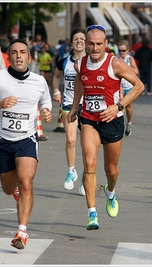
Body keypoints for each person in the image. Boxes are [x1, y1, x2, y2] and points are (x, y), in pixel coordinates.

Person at [0, 38, 52, 250]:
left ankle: (22, 232)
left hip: (27, 139)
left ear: (29, 56)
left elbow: (46, 100)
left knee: (26, 182)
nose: (19, 55)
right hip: (3, 141)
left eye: (22, 52)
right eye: (14, 52)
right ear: (9, 56)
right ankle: (16, 193)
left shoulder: (39, 81)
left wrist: (46, 111)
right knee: (9, 188)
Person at [66, 25, 144, 230]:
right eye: (91, 43)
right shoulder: (80, 64)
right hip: (89, 119)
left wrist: (119, 106)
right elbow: (80, 82)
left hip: (113, 120)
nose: (94, 48)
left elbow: (139, 86)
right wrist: (75, 107)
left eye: (99, 44)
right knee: (89, 163)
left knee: (111, 169)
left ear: (106, 44)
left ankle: (110, 193)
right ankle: (92, 213)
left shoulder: (115, 64)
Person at [52, 28, 86, 194]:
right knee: (71, 140)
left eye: (81, 38)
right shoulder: (64, 61)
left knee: (88, 145)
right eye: (76, 39)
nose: (79, 41)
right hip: (68, 104)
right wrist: (56, 91)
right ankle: (71, 171)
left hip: (87, 106)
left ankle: (86, 176)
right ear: (72, 42)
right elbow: (56, 76)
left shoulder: (92, 61)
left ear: (86, 42)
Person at [118, 40, 139, 136]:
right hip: (120, 87)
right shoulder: (116, 60)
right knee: (120, 107)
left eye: (123, 50)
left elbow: (136, 71)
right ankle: (120, 126)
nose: (121, 53)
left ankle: (129, 124)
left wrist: (125, 67)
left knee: (129, 108)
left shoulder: (129, 59)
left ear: (127, 50)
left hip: (129, 87)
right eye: (120, 50)